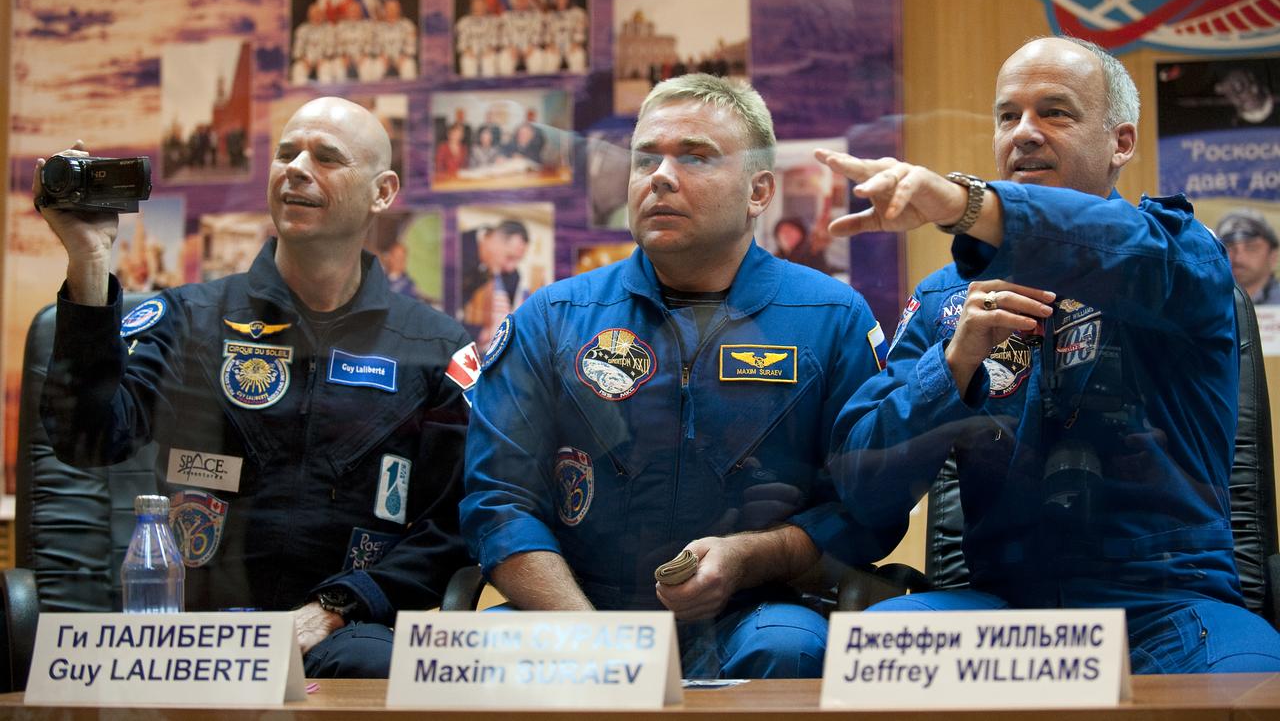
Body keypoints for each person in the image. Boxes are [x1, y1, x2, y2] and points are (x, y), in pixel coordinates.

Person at [823, 36, 1280, 674]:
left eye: (1055, 113)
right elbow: (863, 490)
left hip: (1166, 609)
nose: (1024, 133)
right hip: (1006, 611)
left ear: (1121, 143)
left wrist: (967, 205)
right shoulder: (946, 300)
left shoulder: (1181, 259)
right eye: (1008, 116)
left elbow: (1112, 242)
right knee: (878, 651)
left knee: (1249, 681)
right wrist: (949, 370)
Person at [461, 73, 899, 679]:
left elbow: (866, 508)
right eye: (646, 160)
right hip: (578, 608)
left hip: (755, 610)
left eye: (696, 157)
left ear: (758, 191)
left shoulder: (831, 318)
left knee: (790, 649)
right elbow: (498, 501)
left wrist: (753, 556)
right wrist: (594, 643)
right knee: (469, 652)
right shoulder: (553, 318)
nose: (660, 176)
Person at [36, 97, 479, 678]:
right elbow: (88, 439)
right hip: (198, 631)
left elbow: (454, 524)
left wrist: (339, 607)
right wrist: (90, 261)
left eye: (326, 157)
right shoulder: (190, 320)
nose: (295, 167)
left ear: (383, 192)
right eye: (285, 152)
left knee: (379, 672)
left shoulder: (433, 347)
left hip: (345, 636)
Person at [458, 220, 529, 349]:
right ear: (494, 240)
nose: (511, 268)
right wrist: (477, 333)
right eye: (509, 257)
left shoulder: (510, 274)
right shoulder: (457, 249)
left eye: (517, 260)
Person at [1217, 209, 1280, 306]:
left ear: (1273, 256)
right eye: (1228, 248)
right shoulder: (1200, 304)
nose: (1238, 258)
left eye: (1251, 248)